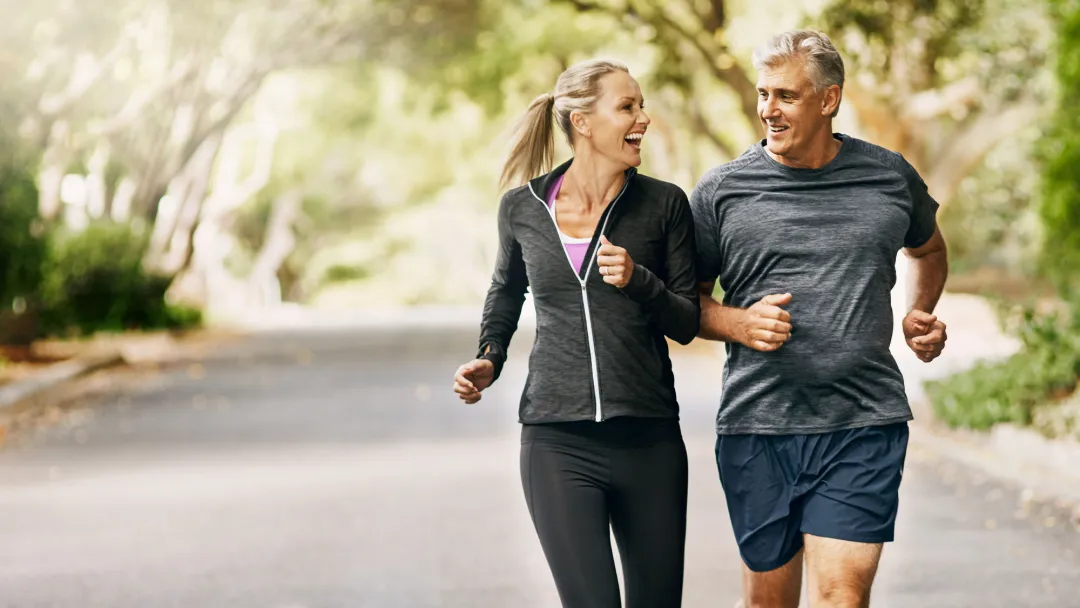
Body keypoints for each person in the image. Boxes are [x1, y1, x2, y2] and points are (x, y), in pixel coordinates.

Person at [690, 30, 949, 608]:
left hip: (863, 420)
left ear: (828, 100)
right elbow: (686, 301)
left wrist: (919, 311)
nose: (767, 110)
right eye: (763, 94)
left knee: (842, 596)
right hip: (759, 424)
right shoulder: (721, 190)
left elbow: (928, 250)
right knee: (768, 604)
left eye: (785, 95)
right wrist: (737, 323)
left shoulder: (888, 176)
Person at [451, 58, 700, 607]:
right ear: (583, 122)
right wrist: (488, 358)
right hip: (556, 442)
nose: (644, 118)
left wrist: (640, 281)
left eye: (641, 105)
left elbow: (686, 320)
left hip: (650, 440)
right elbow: (505, 293)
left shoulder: (664, 205)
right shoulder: (523, 207)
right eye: (628, 106)